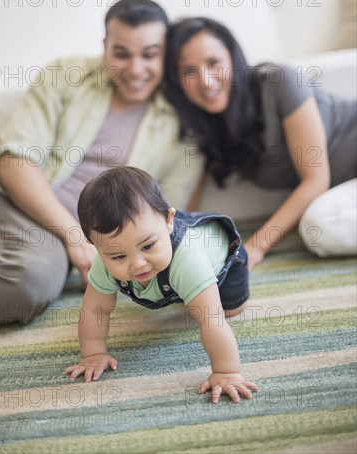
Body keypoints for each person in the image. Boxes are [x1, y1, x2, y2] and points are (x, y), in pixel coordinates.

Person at [0, 0, 203, 328]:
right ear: (105, 47)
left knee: (29, 283)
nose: (135, 69)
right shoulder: (64, 74)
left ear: (165, 54)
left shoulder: (181, 127)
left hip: (44, 237)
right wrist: (75, 238)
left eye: (149, 55)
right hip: (0, 194)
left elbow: (164, 222)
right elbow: (14, 163)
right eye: (121, 53)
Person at [164, 17, 357, 271]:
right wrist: (168, 243)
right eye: (189, 71)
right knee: (319, 227)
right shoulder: (206, 129)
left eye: (213, 63)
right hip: (346, 189)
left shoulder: (280, 81)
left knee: (318, 226)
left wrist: (255, 247)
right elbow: (188, 201)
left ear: (233, 58)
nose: (206, 80)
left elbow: (315, 180)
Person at [63, 166, 257, 405]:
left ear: (168, 221)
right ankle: (181, 284)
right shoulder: (103, 263)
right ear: (94, 245)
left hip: (226, 257)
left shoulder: (188, 260)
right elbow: (95, 310)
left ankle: (193, 288)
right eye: (118, 257)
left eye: (147, 247)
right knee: (179, 287)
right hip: (168, 247)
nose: (137, 264)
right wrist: (92, 354)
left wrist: (227, 373)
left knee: (224, 310)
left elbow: (212, 320)